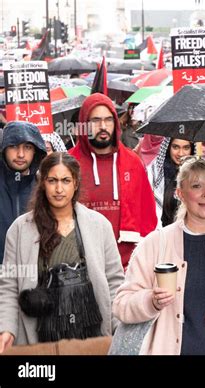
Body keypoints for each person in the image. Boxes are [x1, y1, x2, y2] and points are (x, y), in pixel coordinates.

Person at [113, 157, 205, 355]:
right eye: (196, 186)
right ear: (180, 193)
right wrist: (151, 301)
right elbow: (121, 305)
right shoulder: (155, 243)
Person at [0, 152, 125, 353]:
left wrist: (120, 328)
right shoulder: (20, 229)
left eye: (66, 180)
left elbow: (115, 282)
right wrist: (6, 329)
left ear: (75, 183)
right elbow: (8, 285)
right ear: (42, 183)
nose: (59, 189)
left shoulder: (99, 225)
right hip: (40, 340)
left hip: (91, 339)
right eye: (52, 181)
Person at [69, 93, 157, 269]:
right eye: (95, 120)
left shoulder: (133, 163)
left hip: (126, 267)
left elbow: (148, 218)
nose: (103, 126)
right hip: (79, 266)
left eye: (108, 120)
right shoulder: (68, 164)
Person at [0, 121, 46, 263]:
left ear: (35, 151)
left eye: (27, 147)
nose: (20, 154)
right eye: (13, 146)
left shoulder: (44, 188)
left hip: (35, 275)